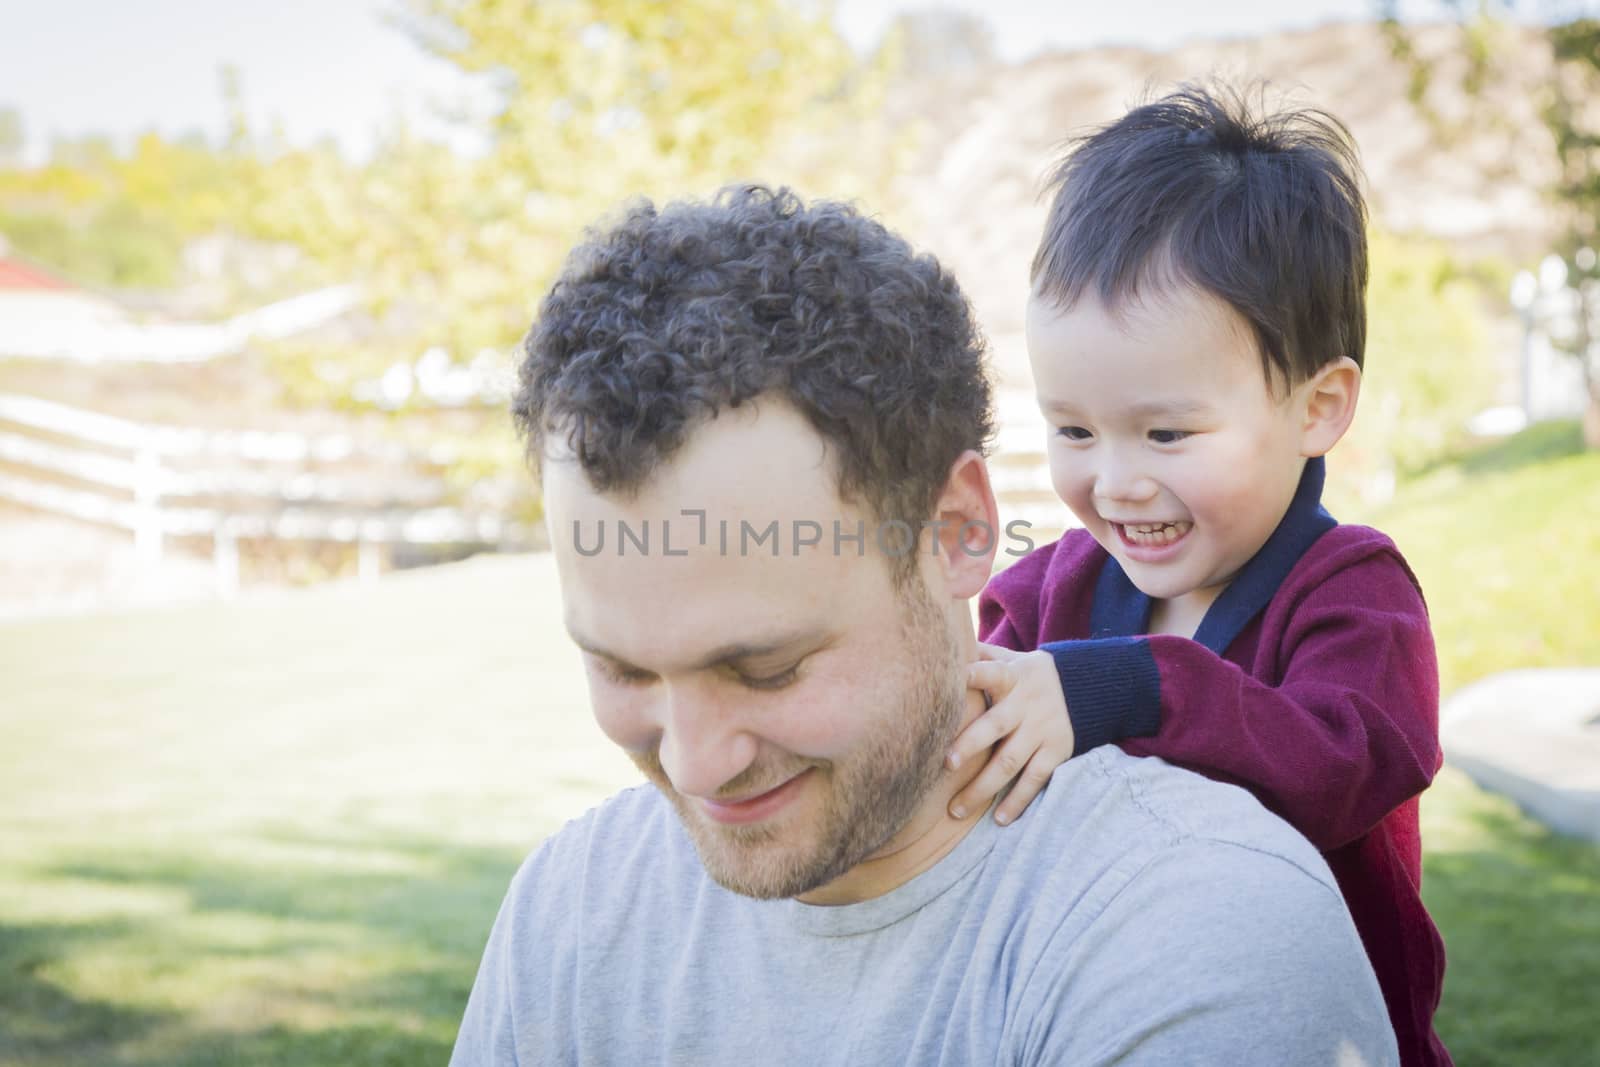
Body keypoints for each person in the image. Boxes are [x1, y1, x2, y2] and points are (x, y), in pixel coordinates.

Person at [449, 184, 1398, 1065]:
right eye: (621, 670)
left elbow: (1351, 749)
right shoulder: (568, 911)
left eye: (768, 668)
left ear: (957, 535)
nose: (695, 768)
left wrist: (1122, 685)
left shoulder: (1202, 933)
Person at [942, 86, 1450, 1066]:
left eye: (1166, 431)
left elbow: (1339, 770)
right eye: (1074, 429)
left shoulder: (1352, 592)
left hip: (1311, 1031)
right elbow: (967, 747)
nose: (1117, 479)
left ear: (1318, 406)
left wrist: (1123, 687)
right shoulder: (1049, 593)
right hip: (1102, 1015)